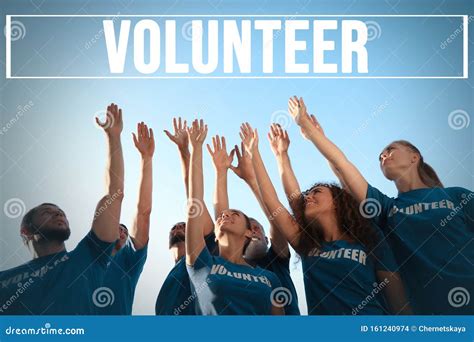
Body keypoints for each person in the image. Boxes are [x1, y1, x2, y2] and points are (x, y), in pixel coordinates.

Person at [286, 96, 474, 314]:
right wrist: (311, 132)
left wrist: (312, 132)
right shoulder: (386, 209)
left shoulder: (457, 196)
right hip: (429, 315)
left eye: (391, 149)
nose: (384, 155)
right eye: (380, 155)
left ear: (415, 157)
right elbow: (342, 168)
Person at [241, 121, 411, 315]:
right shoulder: (307, 245)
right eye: (307, 194)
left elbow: (398, 299)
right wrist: (257, 153)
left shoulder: (369, 237)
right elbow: (273, 201)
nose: (308, 196)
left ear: (337, 202)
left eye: (317, 191)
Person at [0, 103, 124, 315]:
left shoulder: (87, 256)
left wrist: (113, 137)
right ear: (26, 231)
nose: (59, 214)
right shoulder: (4, 279)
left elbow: (114, 193)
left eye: (61, 212)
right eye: (47, 212)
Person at [185, 119, 284, 315]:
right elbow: (194, 200)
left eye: (235, 214)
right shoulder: (202, 263)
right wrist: (196, 148)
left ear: (249, 232)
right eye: (222, 216)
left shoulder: (269, 278)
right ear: (214, 233)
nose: (226, 214)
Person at [206, 134, 300, 315]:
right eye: (251, 226)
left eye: (259, 228)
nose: (255, 230)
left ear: (267, 238)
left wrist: (251, 179)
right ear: (245, 234)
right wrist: (220, 172)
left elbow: (276, 218)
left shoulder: (275, 261)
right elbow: (223, 222)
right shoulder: (222, 265)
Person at [155, 118, 217, 315]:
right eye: (174, 227)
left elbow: (193, 195)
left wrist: (185, 151)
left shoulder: (205, 250)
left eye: (183, 225)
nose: (177, 228)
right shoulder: (171, 278)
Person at [100, 122, 154, 315]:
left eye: (125, 230)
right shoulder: (85, 257)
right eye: (118, 227)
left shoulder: (129, 261)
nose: (122, 231)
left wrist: (146, 159)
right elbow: (111, 194)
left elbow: (143, 213)